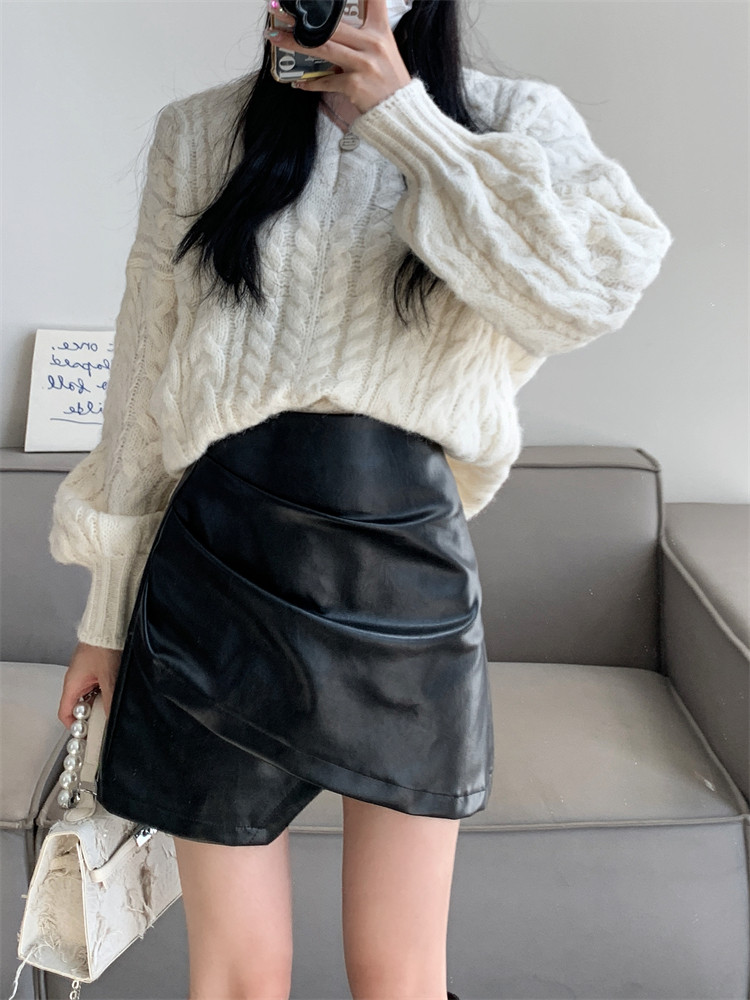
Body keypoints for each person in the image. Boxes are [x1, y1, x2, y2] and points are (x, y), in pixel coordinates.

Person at [50, 0, 674, 997]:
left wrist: (406, 120)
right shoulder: (199, 135)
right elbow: (140, 385)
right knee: (239, 976)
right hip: (215, 569)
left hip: (404, 579)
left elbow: (593, 286)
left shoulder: (510, 121)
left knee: (399, 977)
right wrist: (103, 621)